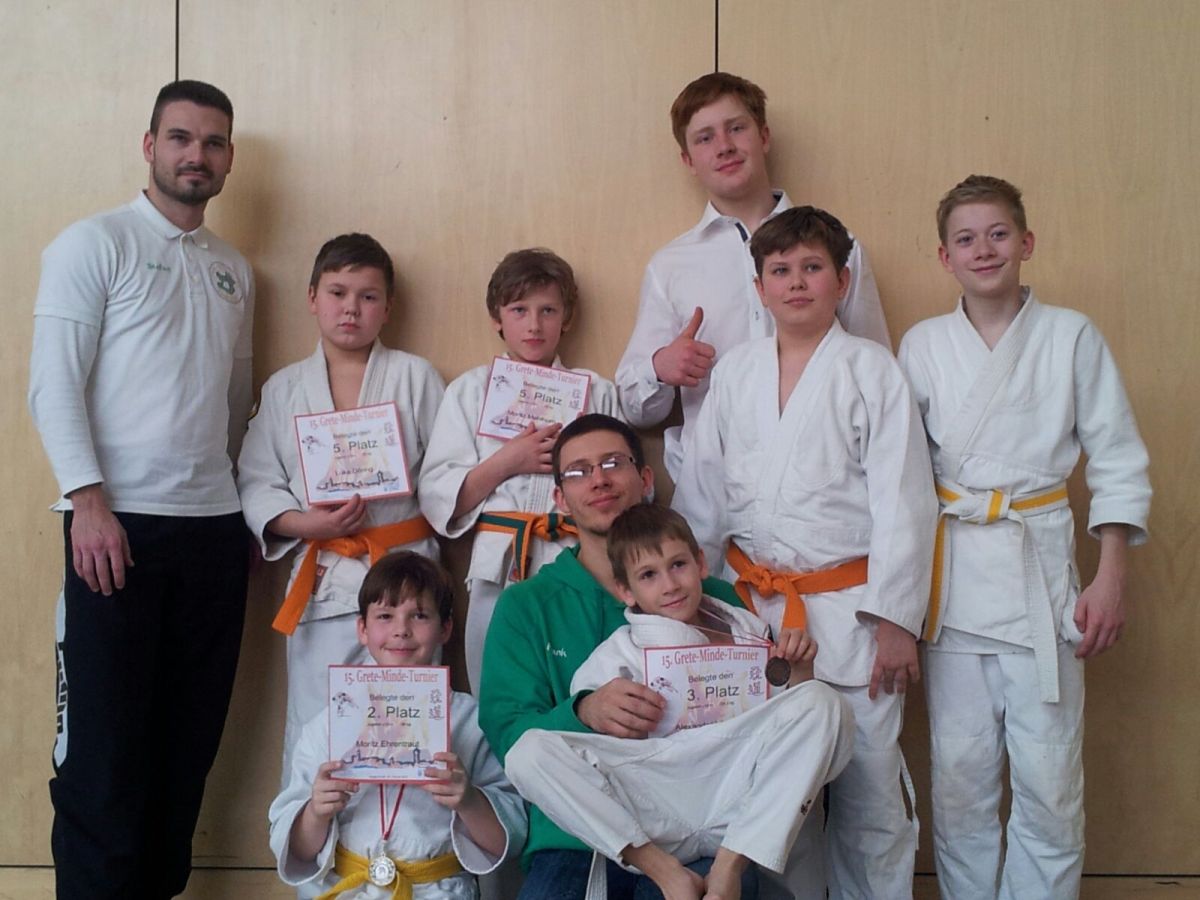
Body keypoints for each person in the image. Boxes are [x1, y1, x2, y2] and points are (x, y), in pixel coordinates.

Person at [28, 79, 254, 898]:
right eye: (181, 138)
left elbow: (236, 401)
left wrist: (240, 514)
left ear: (229, 158)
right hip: (114, 528)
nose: (197, 155)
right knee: (103, 753)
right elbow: (52, 383)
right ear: (150, 146)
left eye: (214, 142)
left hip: (214, 531)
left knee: (185, 749)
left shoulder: (234, 269)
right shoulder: (94, 243)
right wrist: (87, 501)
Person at [897, 175, 1151, 899]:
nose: (984, 250)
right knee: (960, 785)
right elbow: (900, 479)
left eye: (998, 234)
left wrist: (1109, 577)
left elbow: (1118, 458)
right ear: (945, 256)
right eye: (966, 239)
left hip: (1044, 587)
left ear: (1026, 242)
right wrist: (900, 605)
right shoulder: (923, 345)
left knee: (1050, 783)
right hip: (953, 596)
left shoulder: (1071, 335)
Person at [672, 206, 937, 899]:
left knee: (870, 797)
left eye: (813, 268)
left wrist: (897, 622)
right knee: (766, 799)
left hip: (851, 615)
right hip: (750, 613)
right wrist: (693, 607)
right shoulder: (736, 373)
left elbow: (906, 503)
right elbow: (702, 495)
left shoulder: (871, 370)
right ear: (758, 287)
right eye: (780, 270)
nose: (796, 282)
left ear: (842, 281)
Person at [505, 504, 852, 900]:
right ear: (625, 591)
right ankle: (665, 871)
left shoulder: (749, 632)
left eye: (678, 565)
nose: (669, 585)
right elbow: (592, 750)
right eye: (648, 575)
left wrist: (800, 672)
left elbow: (794, 740)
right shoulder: (617, 656)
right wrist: (602, 713)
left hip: (736, 799)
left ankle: (729, 866)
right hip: (653, 807)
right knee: (527, 753)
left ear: (701, 563)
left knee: (824, 703)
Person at [478, 414, 758, 898]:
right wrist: (583, 711)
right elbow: (508, 734)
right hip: (574, 836)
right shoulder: (527, 605)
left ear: (645, 479)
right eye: (579, 471)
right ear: (560, 498)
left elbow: (759, 712)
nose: (599, 480)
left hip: (702, 822)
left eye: (613, 463)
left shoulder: (712, 598)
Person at [238, 233, 445, 776]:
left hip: (406, 582)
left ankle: (407, 831)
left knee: (407, 731)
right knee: (319, 730)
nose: (351, 308)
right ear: (312, 298)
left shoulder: (416, 377)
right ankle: (318, 832)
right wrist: (302, 522)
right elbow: (257, 481)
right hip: (325, 582)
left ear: (388, 307)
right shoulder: (284, 388)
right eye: (337, 293)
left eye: (368, 296)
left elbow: (445, 474)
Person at [616, 72, 890, 481]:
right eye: (704, 138)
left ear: (763, 136)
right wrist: (660, 367)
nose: (724, 146)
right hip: (712, 484)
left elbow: (877, 381)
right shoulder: (669, 266)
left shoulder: (839, 246)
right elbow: (634, 409)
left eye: (736, 128)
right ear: (688, 161)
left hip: (823, 480)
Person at [418, 248, 623, 692]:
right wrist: (508, 462)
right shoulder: (470, 391)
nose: (534, 325)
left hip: (578, 557)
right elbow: (438, 495)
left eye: (548, 310)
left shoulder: (598, 391)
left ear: (566, 318)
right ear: (497, 318)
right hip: (500, 561)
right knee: (499, 683)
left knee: (582, 681)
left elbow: (623, 482)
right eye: (519, 310)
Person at [269, 552, 527, 899]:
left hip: (438, 890)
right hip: (350, 889)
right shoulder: (329, 723)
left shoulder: (472, 721)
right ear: (362, 629)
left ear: (445, 628)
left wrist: (468, 800)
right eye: (385, 616)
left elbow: (505, 841)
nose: (401, 630)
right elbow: (297, 850)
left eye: (419, 615)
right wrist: (316, 811)